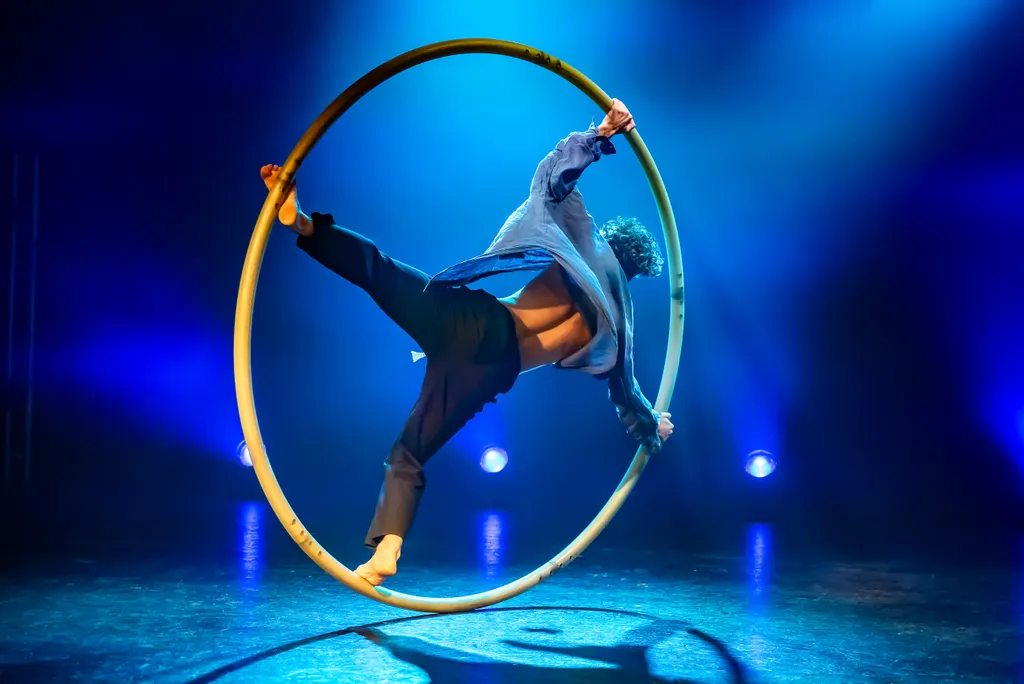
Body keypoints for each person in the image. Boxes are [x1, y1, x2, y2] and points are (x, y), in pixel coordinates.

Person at [260, 98, 674, 586]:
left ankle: (304, 224)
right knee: (410, 451)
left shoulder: (587, 245)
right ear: (636, 272)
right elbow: (626, 394)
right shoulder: (621, 328)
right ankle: (387, 549)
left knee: (379, 269)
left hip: (476, 323)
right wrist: (652, 425)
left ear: (611, 242)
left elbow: (553, 182)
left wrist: (602, 133)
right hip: (492, 371)